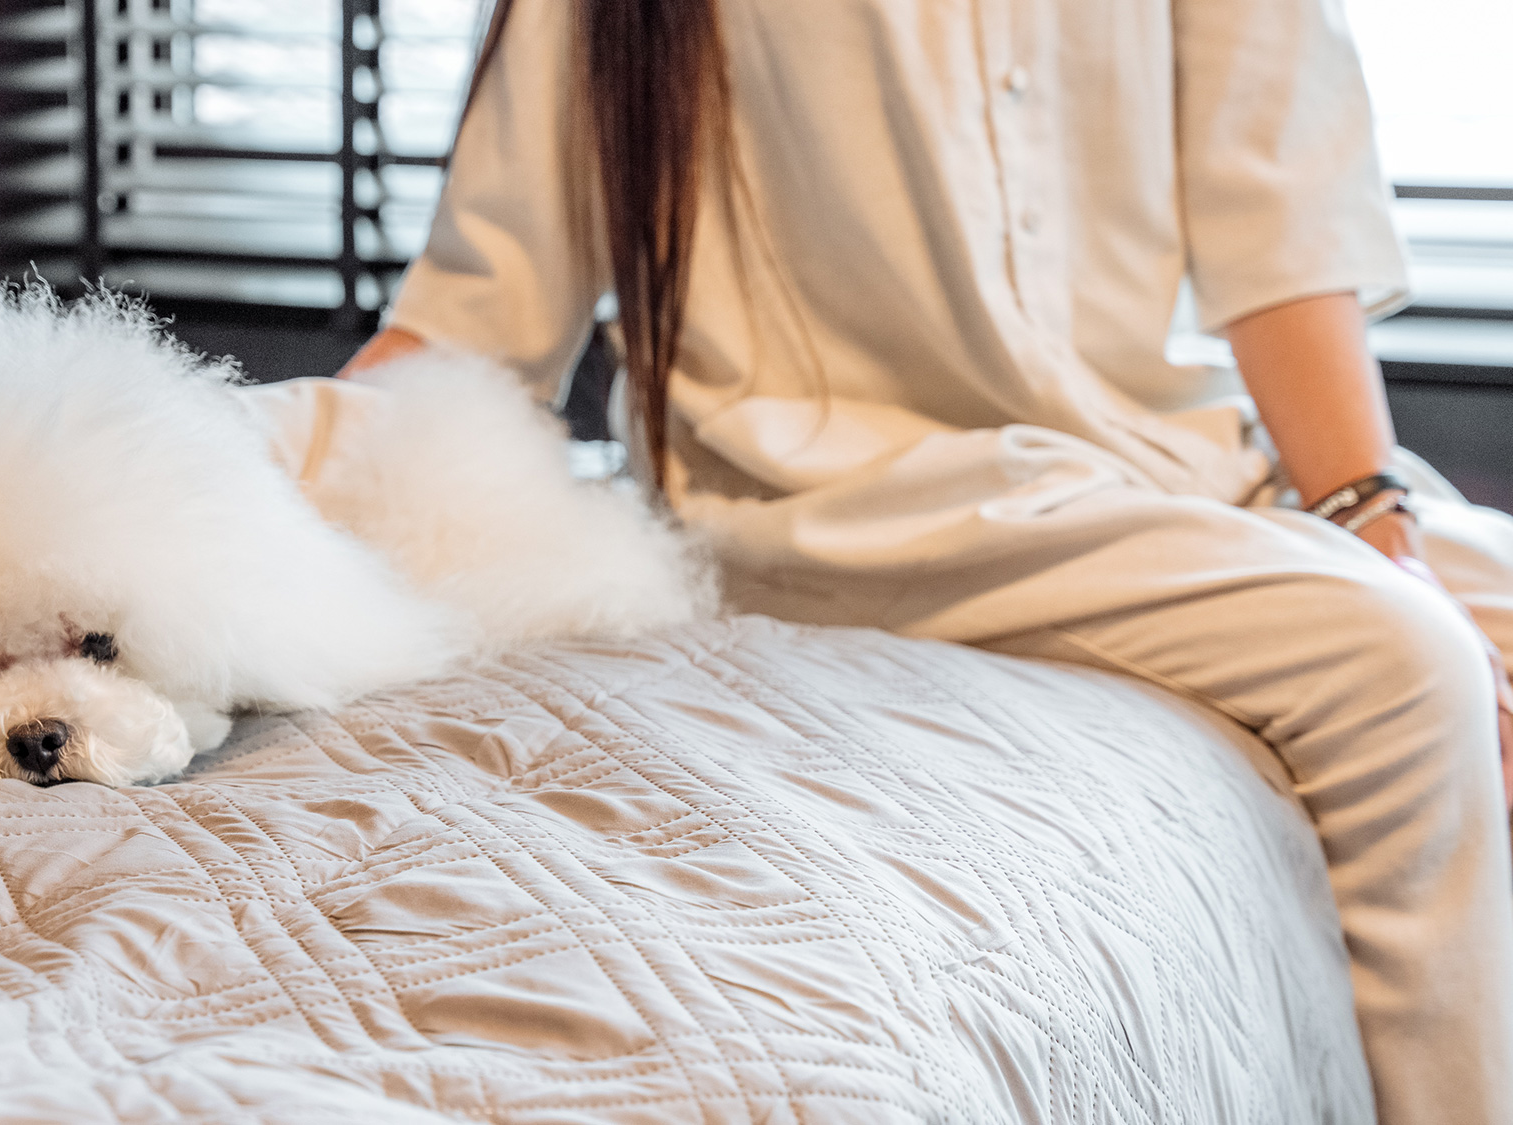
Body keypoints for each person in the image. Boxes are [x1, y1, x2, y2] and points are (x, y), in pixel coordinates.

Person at [331, 0, 1513, 1118]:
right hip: (852, 504)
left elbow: (1281, 231)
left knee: (1471, 617)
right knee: (1405, 666)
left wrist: (1375, 528)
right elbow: (480, 317)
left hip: (1159, 462)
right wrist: (225, 468)